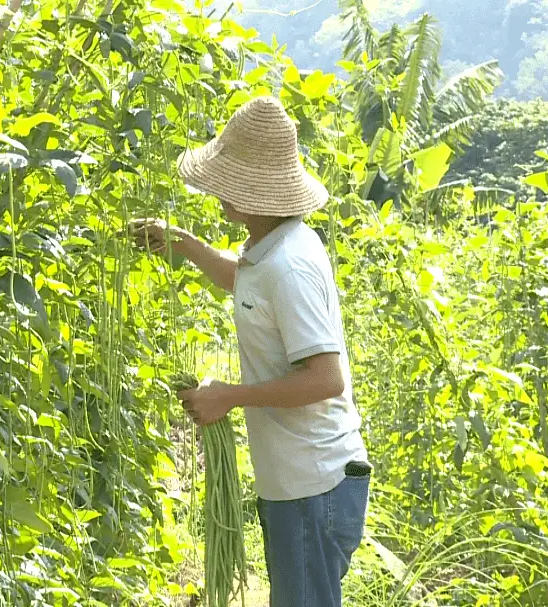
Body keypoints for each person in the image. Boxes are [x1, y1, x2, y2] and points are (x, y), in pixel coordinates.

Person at [129, 96, 371, 607]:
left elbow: (327, 379)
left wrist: (231, 396)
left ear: (251, 193)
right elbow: (248, 286)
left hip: (314, 487)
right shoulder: (275, 246)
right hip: (302, 484)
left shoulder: (290, 265)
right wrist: (188, 245)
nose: (217, 192)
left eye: (227, 182)